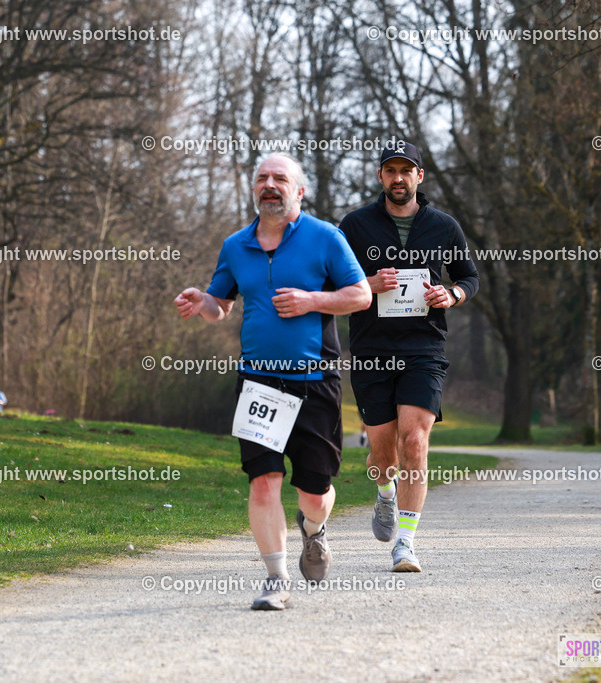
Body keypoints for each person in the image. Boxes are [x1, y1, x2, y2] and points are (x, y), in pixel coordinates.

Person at [175, 154, 371, 610]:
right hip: (257, 384)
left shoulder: (326, 238)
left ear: (299, 191)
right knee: (263, 482)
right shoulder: (235, 245)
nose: (270, 184)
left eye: (280, 178)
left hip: (314, 382)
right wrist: (201, 300)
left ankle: (315, 528)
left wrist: (311, 300)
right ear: (253, 189)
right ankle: (276, 578)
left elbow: (361, 295)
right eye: (262, 178)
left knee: (315, 493)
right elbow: (220, 306)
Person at [338, 141, 479, 572]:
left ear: (420, 177)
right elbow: (334, 280)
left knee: (415, 440)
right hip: (372, 349)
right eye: (390, 170)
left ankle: (406, 543)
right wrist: (367, 284)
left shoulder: (443, 226)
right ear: (380, 177)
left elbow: (469, 276)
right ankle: (385, 494)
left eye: (407, 170)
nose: (398, 178)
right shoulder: (355, 225)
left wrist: (451, 293)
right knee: (383, 455)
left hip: (424, 347)